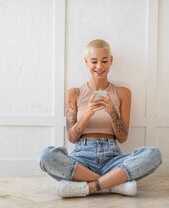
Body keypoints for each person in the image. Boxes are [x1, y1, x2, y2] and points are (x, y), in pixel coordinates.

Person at [39, 39, 162, 198]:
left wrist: (112, 112)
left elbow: (123, 138)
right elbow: (72, 137)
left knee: (154, 154)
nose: (99, 66)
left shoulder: (123, 93)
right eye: (94, 61)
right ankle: (112, 185)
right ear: (86, 62)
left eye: (104, 61)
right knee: (46, 156)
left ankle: (88, 187)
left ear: (111, 61)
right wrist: (88, 113)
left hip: (113, 158)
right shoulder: (74, 93)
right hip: (82, 159)